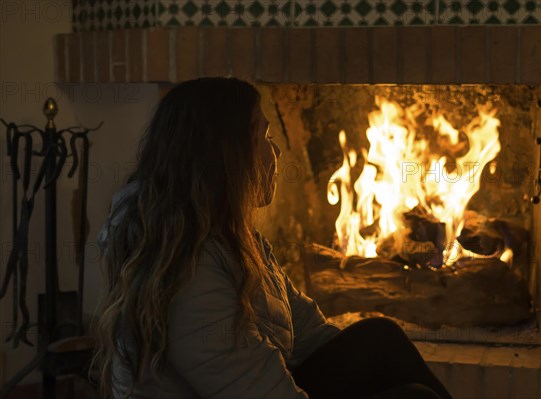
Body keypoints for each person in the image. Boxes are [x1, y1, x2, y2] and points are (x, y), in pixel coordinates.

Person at [92, 77, 453, 399]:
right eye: (263, 137)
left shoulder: (232, 236)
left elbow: (308, 332)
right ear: (226, 155)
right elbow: (250, 385)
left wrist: (371, 371)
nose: (276, 152)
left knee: (379, 339)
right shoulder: (188, 268)